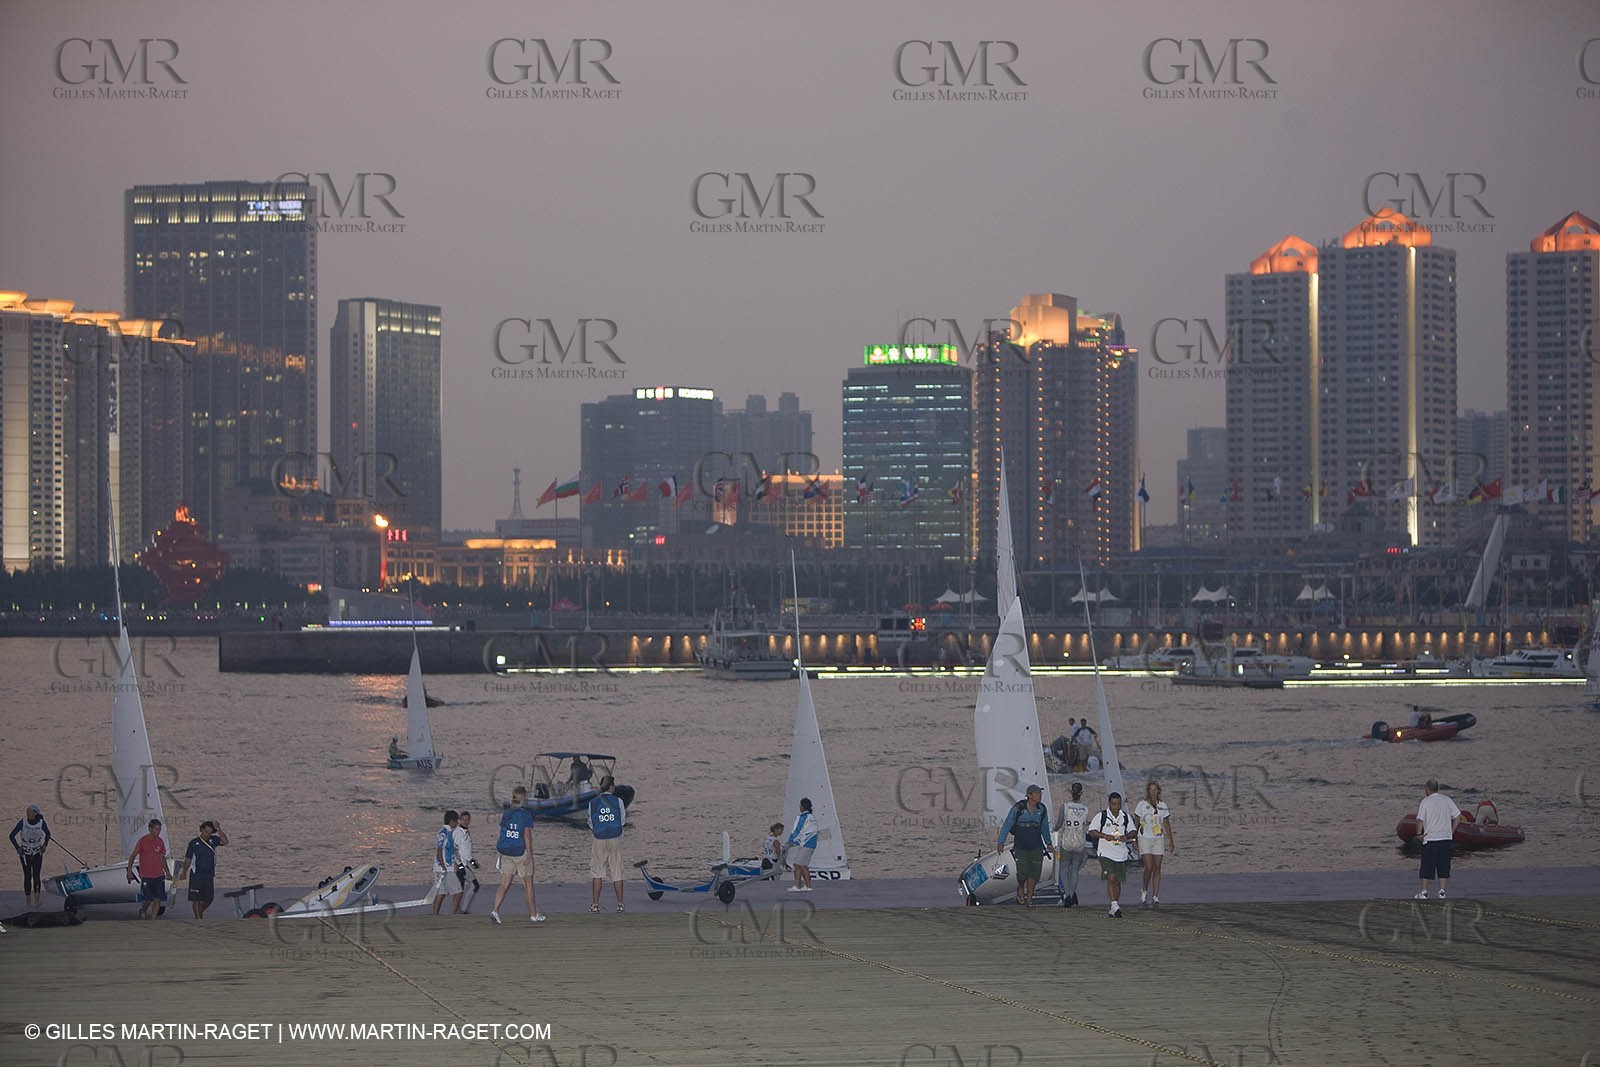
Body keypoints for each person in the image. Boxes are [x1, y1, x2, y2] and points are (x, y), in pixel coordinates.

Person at [490, 786, 544, 925]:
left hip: (506, 851)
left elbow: (502, 832)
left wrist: (499, 852)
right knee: (528, 885)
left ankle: (495, 910)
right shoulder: (525, 814)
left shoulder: (506, 813)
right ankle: (533, 915)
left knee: (504, 884)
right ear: (523, 798)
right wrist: (529, 854)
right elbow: (527, 835)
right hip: (520, 852)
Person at [996, 784, 1052, 907]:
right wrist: (1001, 842)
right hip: (1021, 846)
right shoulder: (1018, 808)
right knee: (1022, 873)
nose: (1040, 796)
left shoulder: (1042, 809)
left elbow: (1044, 828)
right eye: (1037, 793)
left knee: (1034, 873)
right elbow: (1007, 825)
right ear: (1029, 795)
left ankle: (1029, 899)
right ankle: (1021, 887)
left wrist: (1049, 843)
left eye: (1040, 793)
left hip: (1036, 846)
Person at [1087, 792, 1136, 918]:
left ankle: (1114, 907)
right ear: (1109, 803)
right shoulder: (1101, 816)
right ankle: (1115, 905)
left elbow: (1133, 830)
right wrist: (1104, 836)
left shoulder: (1125, 816)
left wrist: (1127, 836)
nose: (1116, 807)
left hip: (1121, 853)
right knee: (1111, 877)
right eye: (1114, 804)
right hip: (1105, 852)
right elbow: (1091, 831)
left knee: (1118, 881)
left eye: (1118, 804)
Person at [1415, 778, 1461, 900]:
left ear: (1427, 789)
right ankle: (1442, 891)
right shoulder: (1447, 800)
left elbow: (1420, 819)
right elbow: (1457, 816)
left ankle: (1424, 892)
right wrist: (1452, 830)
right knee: (1443, 865)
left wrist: (1418, 833)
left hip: (1430, 838)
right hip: (1445, 838)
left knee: (1427, 866)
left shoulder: (1425, 801)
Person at [587, 776, 627, 913]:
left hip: (599, 839)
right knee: (617, 872)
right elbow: (622, 821)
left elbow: (590, 822)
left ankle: (595, 905)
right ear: (611, 787)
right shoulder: (619, 801)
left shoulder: (593, 802)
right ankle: (620, 904)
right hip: (614, 839)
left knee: (597, 873)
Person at [175, 819, 228, 919]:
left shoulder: (213, 840)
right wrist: (184, 872)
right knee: (196, 899)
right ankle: (198, 919)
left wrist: (218, 829)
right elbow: (188, 859)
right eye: (205, 831)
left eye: (209, 832)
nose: (207, 834)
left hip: (209, 875)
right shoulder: (194, 843)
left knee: (209, 899)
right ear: (201, 830)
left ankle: (199, 912)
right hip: (196, 875)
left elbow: (225, 842)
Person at [1134, 781, 1176, 906]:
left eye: (1155, 789)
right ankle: (1144, 889)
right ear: (1147, 791)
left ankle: (1155, 895)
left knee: (1157, 867)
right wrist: (1133, 839)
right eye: (1150, 790)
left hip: (1158, 838)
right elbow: (1136, 822)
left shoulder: (1162, 805)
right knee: (1149, 866)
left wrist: (1171, 841)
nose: (1153, 792)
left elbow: (1166, 823)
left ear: (1158, 791)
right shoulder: (1142, 805)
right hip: (1144, 838)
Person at [9, 804, 52, 909]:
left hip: (37, 853)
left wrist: (44, 845)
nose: (27, 813)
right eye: (27, 812)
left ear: (35, 813)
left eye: (30, 812)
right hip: (25, 854)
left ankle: (37, 901)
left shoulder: (42, 823)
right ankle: (28, 902)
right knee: (27, 876)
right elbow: (11, 836)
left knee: (36, 876)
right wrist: (18, 848)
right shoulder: (22, 823)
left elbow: (48, 834)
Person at [124, 818, 168, 920]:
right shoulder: (143, 841)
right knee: (148, 899)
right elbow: (133, 856)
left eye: (159, 829)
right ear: (150, 829)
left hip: (159, 874)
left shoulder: (160, 841)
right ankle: (143, 910)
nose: (158, 832)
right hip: (146, 875)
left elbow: (162, 858)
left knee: (157, 899)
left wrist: (167, 872)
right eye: (156, 829)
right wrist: (129, 871)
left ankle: (153, 919)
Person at [1054, 782, 1088, 908]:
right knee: (1074, 869)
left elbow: (1059, 824)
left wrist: (1054, 830)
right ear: (1081, 793)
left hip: (1066, 841)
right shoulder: (1085, 809)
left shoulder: (1065, 806)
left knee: (1064, 867)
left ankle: (1067, 895)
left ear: (1071, 792)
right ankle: (1072, 893)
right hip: (1079, 841)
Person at [432, 810, 462, 916]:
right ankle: (453, 913)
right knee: (458, 891)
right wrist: (443, 865)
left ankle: (435, 915)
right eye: (456, 821)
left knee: (442, 893)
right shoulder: (443, 833)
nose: (457, 823)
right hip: (444, 869)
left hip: (445, 867)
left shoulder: (449, 833)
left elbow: (450, 851)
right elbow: (439, 850)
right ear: (451, 821)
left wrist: (455, 863)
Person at [787, 797, 818, 892]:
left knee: (797, 865)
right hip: (811, 844)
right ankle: (808, 887)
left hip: (806, 844)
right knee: (804, 865)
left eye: (800, 805)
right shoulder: (812, 817)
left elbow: (797, 830)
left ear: (803, 807)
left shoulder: (803, 817)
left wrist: (790, 841)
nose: (799, 807)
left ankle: (797, 886)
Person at [453, 811, 479, 913]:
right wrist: (459, 865)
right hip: (460, 865)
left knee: (463, 888)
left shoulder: (466, 832)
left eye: (467, 819)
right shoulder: (458, 832)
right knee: (463, 888)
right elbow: (454, 850)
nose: (465, 821)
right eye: (463, 819)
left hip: (465, 864)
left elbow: (466, 851)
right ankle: (459, 910)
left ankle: (461, 909)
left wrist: (472, 862)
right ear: (459, 820)